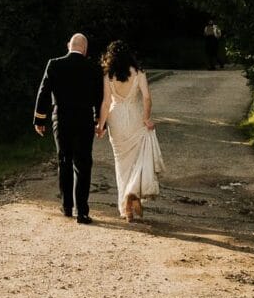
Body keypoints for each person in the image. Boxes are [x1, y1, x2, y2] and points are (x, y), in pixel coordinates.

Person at [33, 32, 101, 224]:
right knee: (83, 163)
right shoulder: (93, 68)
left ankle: (67, 206)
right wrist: (100, 122)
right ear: (85, 49)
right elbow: (99, 97)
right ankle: (82, 212)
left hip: (61, 119)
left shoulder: (54, 64)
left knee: (64, 160)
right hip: (84, 120)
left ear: (68, 46)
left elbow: (43, 92)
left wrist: (40, 119)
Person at [95, 39, 164, 223]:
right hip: (134, 117)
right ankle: (132, 195)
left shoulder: (108, 75)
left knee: (121, 165)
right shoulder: (139, 72)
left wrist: (100, 126)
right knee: (137, 160)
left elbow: (106, 103)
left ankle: (126, 209)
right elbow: (147, 98)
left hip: (116, 120)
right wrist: (146, 118)